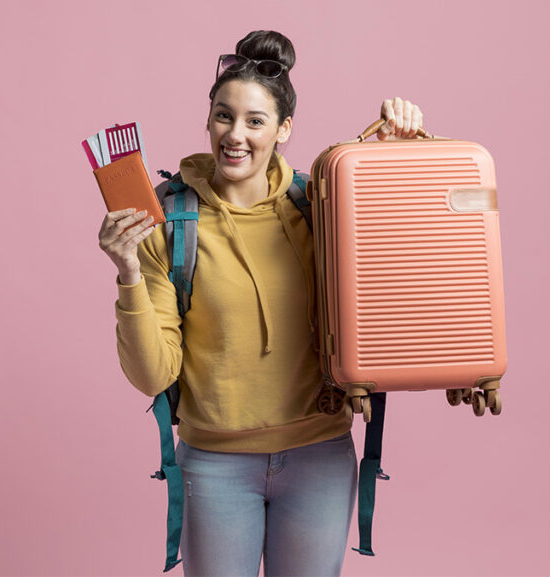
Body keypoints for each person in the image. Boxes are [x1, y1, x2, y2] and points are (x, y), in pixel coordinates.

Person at [98, 30, 425, 577]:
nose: (236, 135)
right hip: (215, 463)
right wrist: (128, 272)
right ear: (208, 119)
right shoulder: (169, 222)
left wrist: (403, 145)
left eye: (255, 121)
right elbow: (153, 372)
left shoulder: (321, 206)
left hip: (320, 453)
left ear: (284, 129)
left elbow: (401, 264)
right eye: (224, 116)